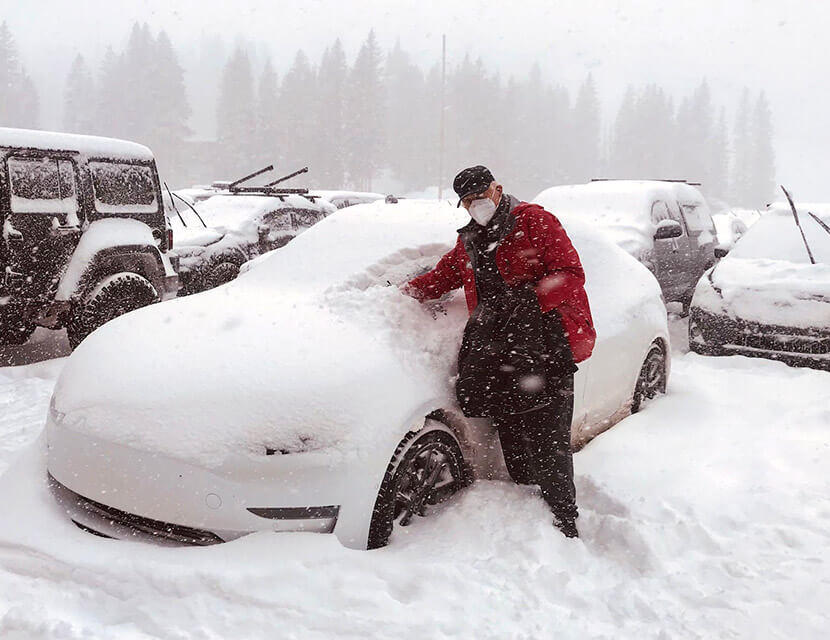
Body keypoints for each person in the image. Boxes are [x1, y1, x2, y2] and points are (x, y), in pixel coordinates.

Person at [404, 165, 595, 538]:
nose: (478, 205)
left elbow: (571, 274)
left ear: (498, 190)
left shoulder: (535, 221)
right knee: (511, 429)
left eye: (482, 196)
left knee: (549, 438)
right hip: (500, 349)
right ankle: (528, 507)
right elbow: (442, 278)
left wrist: (523, 303)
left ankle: (563, 519)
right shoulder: (471, 240)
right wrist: (396, 296)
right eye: (469, 201)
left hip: (545, 343)